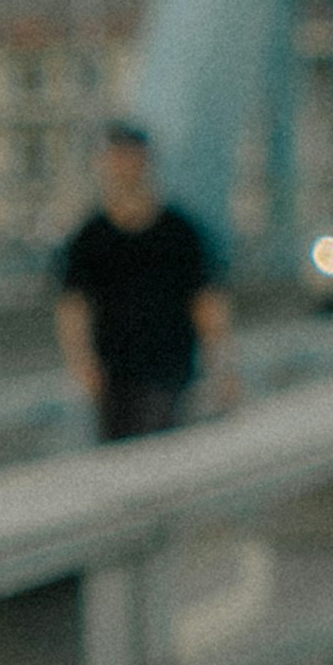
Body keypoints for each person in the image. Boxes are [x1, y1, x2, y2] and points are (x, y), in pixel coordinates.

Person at [53, 123, 230, 443]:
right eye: (117, 159)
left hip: (171, 372)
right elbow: (73, 306)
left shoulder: (180, 231)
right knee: (123, 458)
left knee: (158, 450)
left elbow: (205, 302)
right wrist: (81, 362)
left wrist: (221, 365)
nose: (124, 167)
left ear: (146, 163)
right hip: (112, 379)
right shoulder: (89, 237)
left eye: (131, 158)